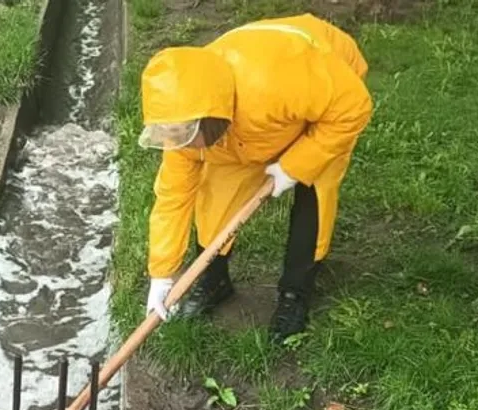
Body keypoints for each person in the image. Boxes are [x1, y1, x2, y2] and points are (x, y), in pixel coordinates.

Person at [138, 13, 373, 345]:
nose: (179, 144)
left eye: (185, 134)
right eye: (170, 135)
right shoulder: (184, 124)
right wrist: (162, 274)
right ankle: (214, 279)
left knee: (315, 191)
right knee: (215, 198)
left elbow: (352, 107)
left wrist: (295, 166)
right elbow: (172, 200)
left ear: (211, 117)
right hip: (250, 127)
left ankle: (295, 292)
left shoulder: (277, 82)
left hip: (327, 91)